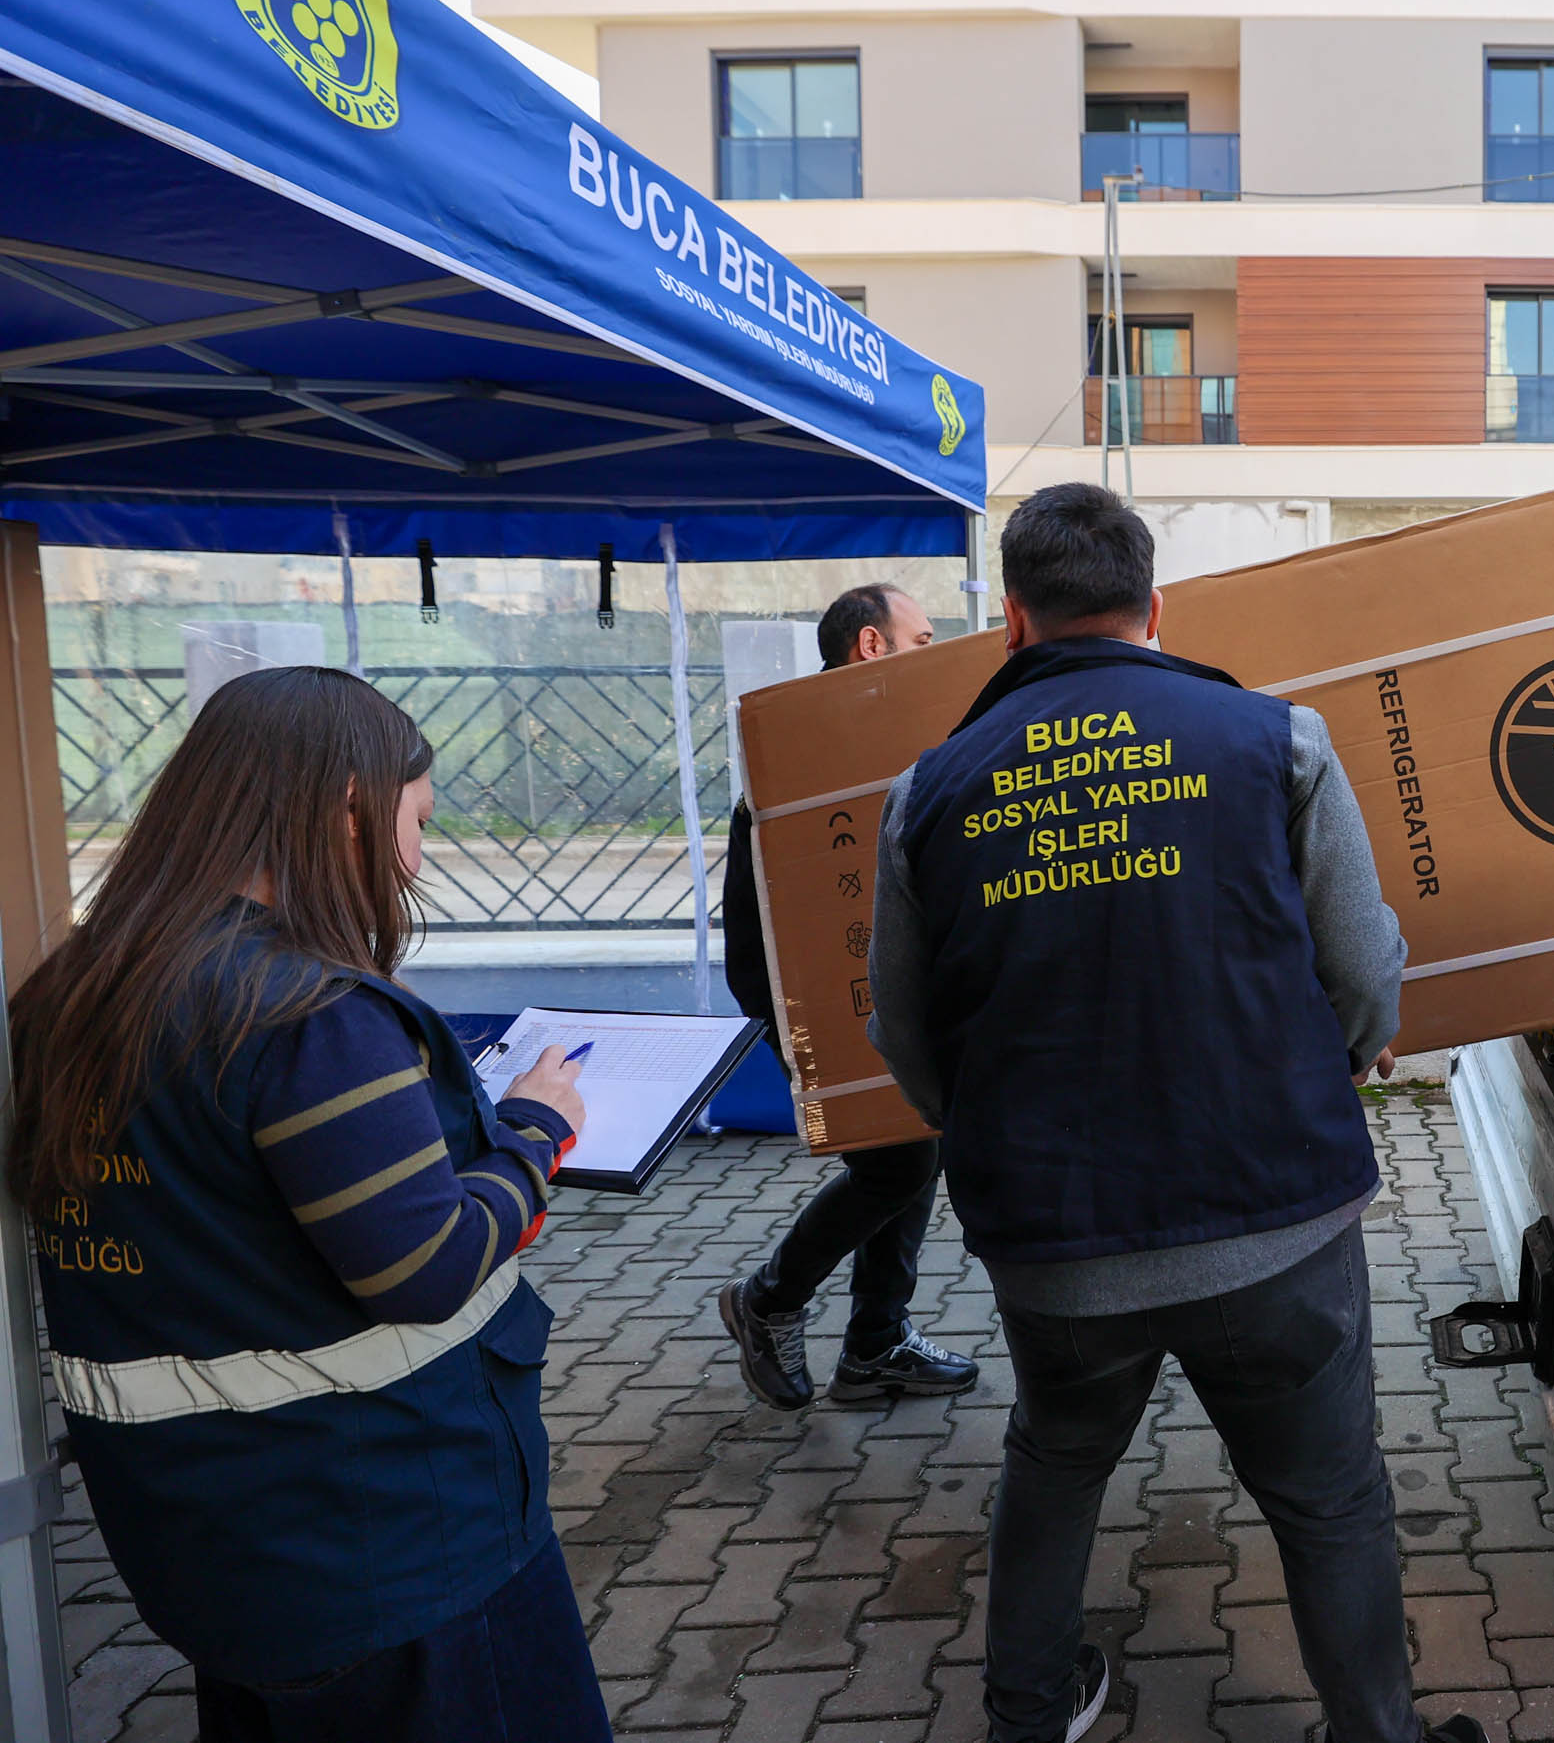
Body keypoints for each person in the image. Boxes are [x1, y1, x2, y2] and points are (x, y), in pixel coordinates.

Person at [866, 484, 1483, 1743]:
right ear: (1159, 607)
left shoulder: (927, 793)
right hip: (1277, 1221)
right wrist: (1348, 1060)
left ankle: (1027, 1715)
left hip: (1057, 1248)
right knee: (1330, 1499)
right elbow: (1365, 967)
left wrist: (981, 1130)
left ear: (1011, 623)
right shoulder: (1278, 740)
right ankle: (1379, 1733)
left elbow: (907, 1036)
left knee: (1054, 1464)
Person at [9, 666, 607, 1742]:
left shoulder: (69, 995)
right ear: (345, 809)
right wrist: (532, 1131)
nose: (417, 859)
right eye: (415, 821)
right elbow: (422, 1267)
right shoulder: (308, 1015)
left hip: (211, 1552)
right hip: (392, 1548)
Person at [719, 580, 980, 1408]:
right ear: (871, 646)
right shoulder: (808, 738)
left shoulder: (882, 739)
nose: (933, 654)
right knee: (895, 1163)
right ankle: (770, 1298)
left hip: (872, 983)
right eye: (922, 638)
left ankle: (875, 1345)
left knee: (913, 1144)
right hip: (801, 994)